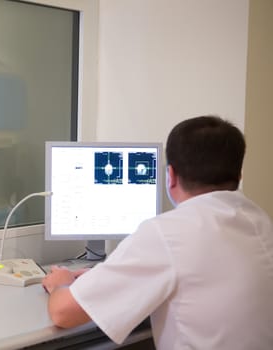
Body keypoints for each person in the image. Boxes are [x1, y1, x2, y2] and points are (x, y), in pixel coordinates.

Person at [42, 116, 273, 349]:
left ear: (170, 175)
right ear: (239, 174)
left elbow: (63, 313)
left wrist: (61, 283)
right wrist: (105, 274)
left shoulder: (167, 233)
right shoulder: (259, 219)